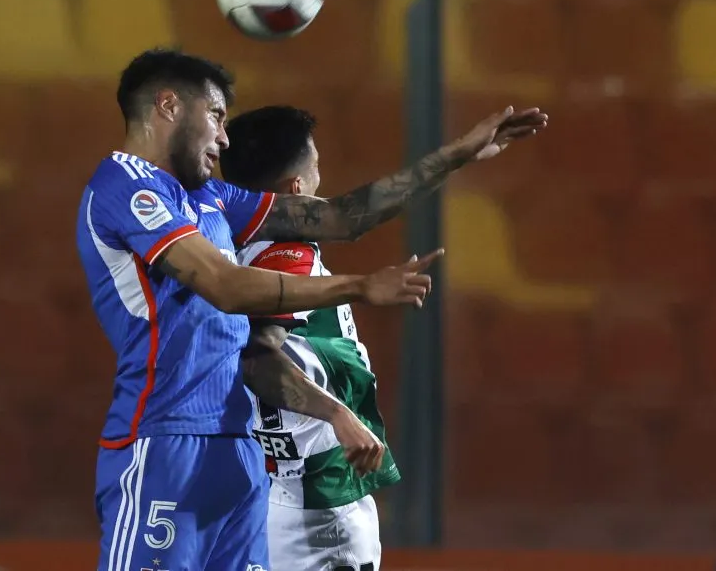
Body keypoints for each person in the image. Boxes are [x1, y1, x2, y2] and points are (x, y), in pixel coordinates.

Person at [76, 49, 547, 571]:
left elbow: (342, 217)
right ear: (168, 105)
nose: (224, 138)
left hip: (240, 451)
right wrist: (359, 286)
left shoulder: (211, 198)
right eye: (216, 116)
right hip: (165, 443)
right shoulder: (123, 185)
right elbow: (225, 285)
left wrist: (457, 154)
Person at [219, 105, 402, 571]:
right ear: (296, 189)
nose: (324, 179)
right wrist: (340, 415)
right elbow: (258, 356)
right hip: (317, 498)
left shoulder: (224, 246)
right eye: (317, 167)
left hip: (272, 481)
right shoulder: (288, 256)